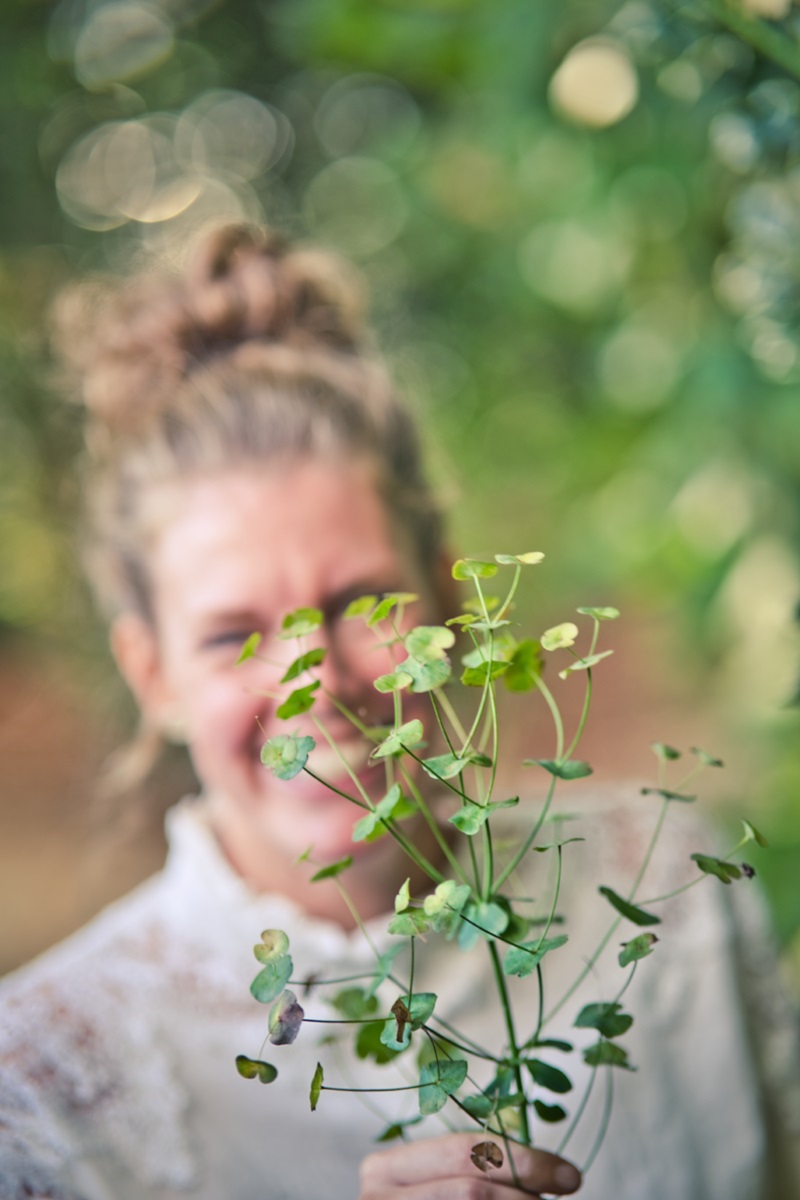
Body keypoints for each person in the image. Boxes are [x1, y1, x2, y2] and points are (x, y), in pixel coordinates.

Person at [0, 224, 795, 1200]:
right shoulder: (41, 1091)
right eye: (232, 637)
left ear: (451, 603)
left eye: (361, 604)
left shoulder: (674, 890)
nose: (317, 680)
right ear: (152, 676)